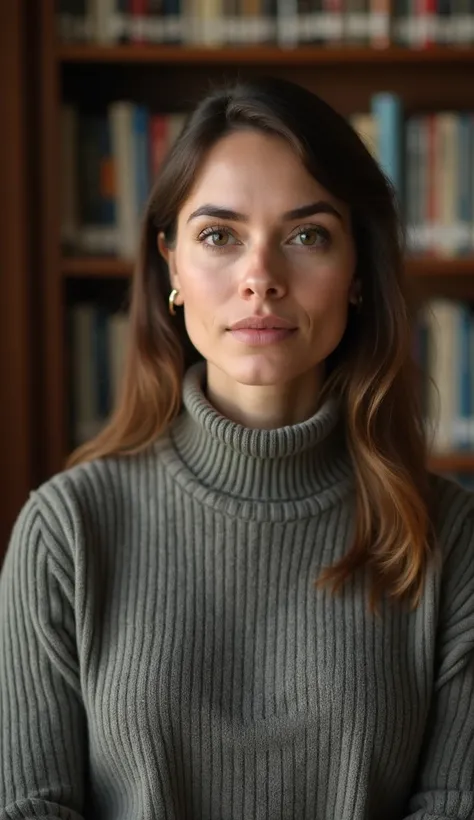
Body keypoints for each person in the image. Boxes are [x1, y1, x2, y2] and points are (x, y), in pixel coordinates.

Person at [1, 76, 473, 820]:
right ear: (171, 269)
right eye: (219, 236)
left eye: (307, 235)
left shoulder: (450, 537)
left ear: (356, 273)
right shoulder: (66, 532)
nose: (261, 278)